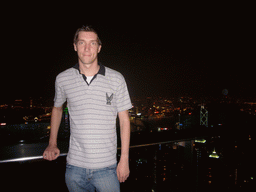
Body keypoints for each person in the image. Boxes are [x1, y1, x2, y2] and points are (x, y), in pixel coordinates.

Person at [43, 25, 132, 192]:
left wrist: (124, 159)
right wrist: (52, 143)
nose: (87, 48)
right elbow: (57, 109)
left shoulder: (116, 78)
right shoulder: (63, 79)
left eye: (92, 43)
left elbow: (124, 120)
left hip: (107, 168)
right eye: (82, 42)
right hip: (75, 168)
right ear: (75, 46)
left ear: (99, 48)